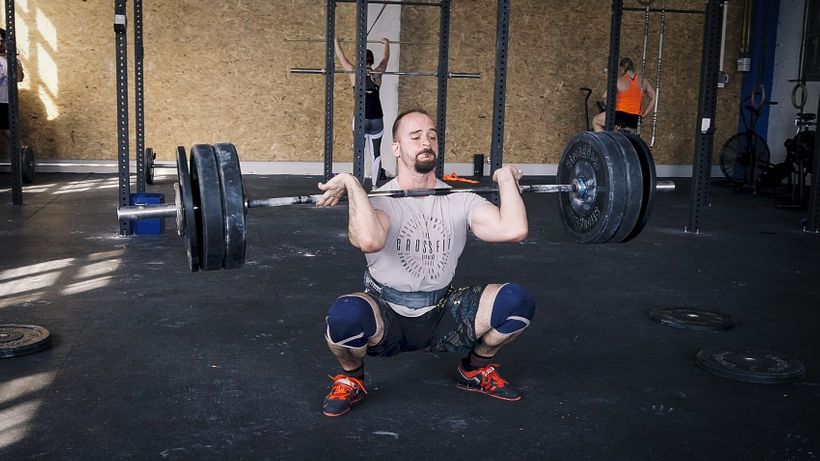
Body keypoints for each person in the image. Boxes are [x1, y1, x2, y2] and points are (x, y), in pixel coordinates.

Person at [315, 109, 536, 417]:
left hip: (444, 310)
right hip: (387, 313)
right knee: (346, 316)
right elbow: (368, 241)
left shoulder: (460, 199)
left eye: (431, 135)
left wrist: (504, 179)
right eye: (415, 136)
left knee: (517, 302)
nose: (426, 142)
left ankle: (474, 369)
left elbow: (513, 230)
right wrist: (353, 185)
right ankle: (352, 377)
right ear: (395, 148)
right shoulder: (379, 201)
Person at [334, 37, 390, 187]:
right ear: (372, 60)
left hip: (360, 119)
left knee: (360, 152)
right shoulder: (377, 73)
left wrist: (336, 42)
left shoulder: (355, 73)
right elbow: (385, 59)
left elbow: (341, 58)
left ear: (360, 60)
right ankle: (375, 186)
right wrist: (386, 44)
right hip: (377, 118)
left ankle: (358, 186)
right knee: (375, 153)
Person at [592, 57, 655, 132]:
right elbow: (654, 96)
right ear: (633, 67)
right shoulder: (643, 81)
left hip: (620, 115)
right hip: (636, 118)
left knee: (596, 121)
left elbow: (605, 96)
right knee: (627, 138)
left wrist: (609, 107)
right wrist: (644, 114)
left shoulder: (619, 80)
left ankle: (605, 142)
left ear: (622, 68)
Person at [0, 28, 24, 133]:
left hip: (6, 101)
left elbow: (19, 78)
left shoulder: (12, 59)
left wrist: (12, 57)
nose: (0, 44)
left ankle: (19, 149)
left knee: (8, 131)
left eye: (2, 41)